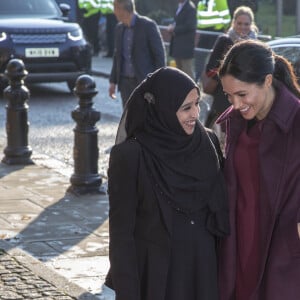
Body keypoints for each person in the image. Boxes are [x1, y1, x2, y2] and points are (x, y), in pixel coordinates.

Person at [106, 67, 229, 299]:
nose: (196, 114)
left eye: (197, 104)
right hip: (157, 277)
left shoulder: (208, 142)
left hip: (204, 273)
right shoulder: (131, 156)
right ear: (161, 109)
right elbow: (122, 236)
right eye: (186, 108)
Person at [217, 39, 300, 300]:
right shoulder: (233, 122)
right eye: (229, 95)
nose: (236, 104)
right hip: (238, 246)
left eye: (242, 94)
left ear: (266, 81)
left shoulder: (296, 121)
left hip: (282, 253)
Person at [202, 5, 258, 127]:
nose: (243, 27)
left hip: (247, 98)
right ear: (233, 23)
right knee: (224, 135)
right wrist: (228, 70)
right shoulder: (224, 40)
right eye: (239, 23)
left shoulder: (255, 45)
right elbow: (210, 69)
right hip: (225, 97)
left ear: (251, 25)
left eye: (246, 24)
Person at [108, 0, 166, 108]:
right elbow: (117, 56)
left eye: (115, 8)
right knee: (128, 118)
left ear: (122, 10)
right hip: (125, 83)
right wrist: (113, 81)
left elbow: (159, 56)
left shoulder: (148, 25)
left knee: (145, 117)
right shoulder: (119, 29)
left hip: (144, 82)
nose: (114, 12)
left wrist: (158, 82)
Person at [167, 0, 197, 79]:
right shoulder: (181, 6)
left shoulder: (190, 8)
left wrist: (174, 29)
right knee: (178, 71)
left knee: (187, 72)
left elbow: (190, 26)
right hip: (178, 46)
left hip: (185, 47)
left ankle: (193, 90)